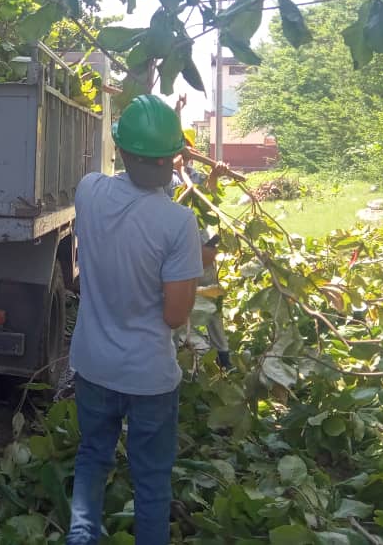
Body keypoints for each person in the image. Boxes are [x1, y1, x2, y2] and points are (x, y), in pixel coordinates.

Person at [67, 94, 203, 545]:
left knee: (92, 458)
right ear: (173, 158)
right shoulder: (178, 223)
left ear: (121, 149)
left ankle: (80, 538)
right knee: (150, 481)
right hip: (148, 377)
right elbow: (175, 314)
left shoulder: (88, 190)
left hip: (93, 365)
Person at [171, 129, 234, 370]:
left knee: (213, 309)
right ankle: (179, 359)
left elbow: (209, 205)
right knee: (178, 308)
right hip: (181, 256)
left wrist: (215, 176)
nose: (186, 155)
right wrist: (177, 171)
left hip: (204, 253)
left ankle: (223, 359)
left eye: (187, 150)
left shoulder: (194, 175)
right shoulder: (167, 179)